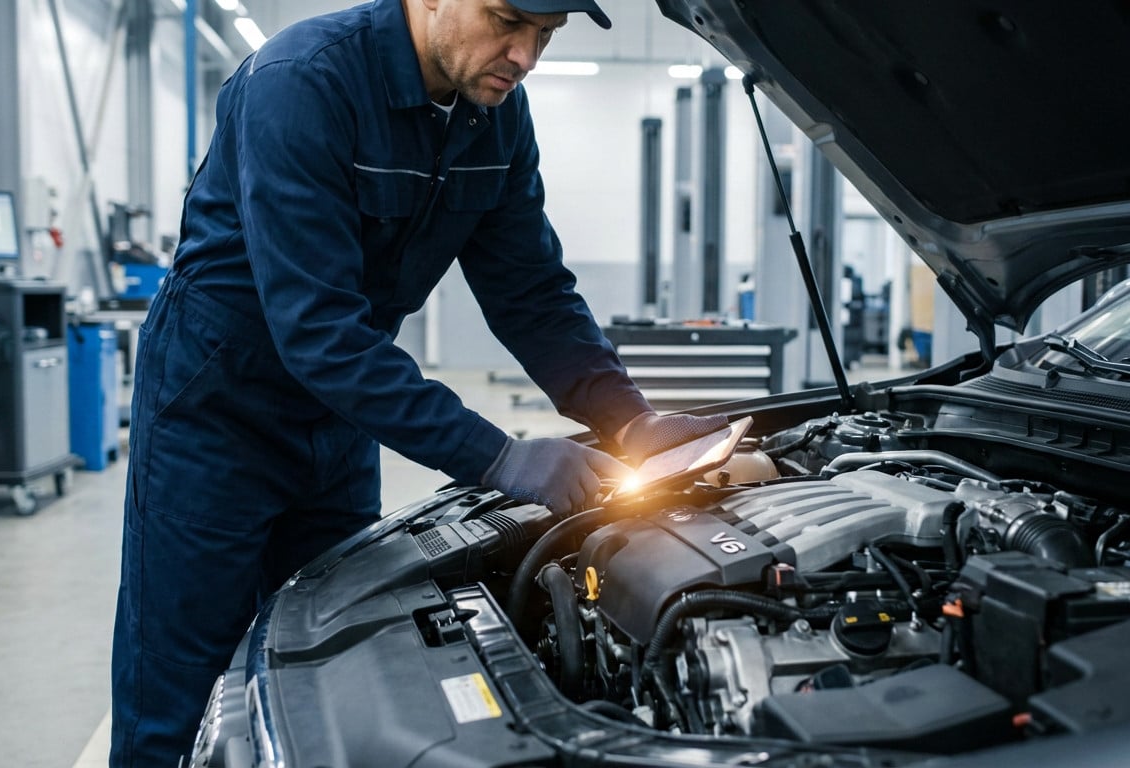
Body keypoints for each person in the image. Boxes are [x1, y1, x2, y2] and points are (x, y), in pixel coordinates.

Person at [109, 0, 727, 764]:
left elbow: (529, 290)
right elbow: (317, 327)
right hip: (215, 412)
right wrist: (500, 458)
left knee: (327, 658)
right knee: (182, 683)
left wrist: (627, 419)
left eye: (544, 34)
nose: (525, 55)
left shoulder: (494, 115)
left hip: (339, 415)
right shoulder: (302, 83)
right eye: (508, 21)